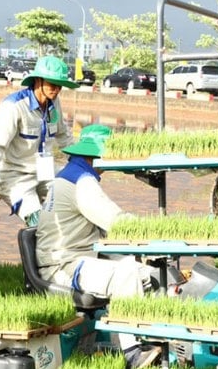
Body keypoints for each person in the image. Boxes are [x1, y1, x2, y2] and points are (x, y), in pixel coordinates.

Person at [35, 124, 153, 299]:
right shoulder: (82, 183)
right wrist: (157, 228)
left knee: (149, 272)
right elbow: (117, 222)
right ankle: (124, 323)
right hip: (64, 267)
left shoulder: (68, 174)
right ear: (96, 154)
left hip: (73, 259)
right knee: (129, 274)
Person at [0, 56, 78, 226]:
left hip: (45, 171)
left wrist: (83, 163)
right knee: (39, 223)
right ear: (38, 81)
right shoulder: (14, 107)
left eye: (60, 85)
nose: (56, 90)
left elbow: (64, 136)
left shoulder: (54, 103)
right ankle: (34, 250)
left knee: (75, 205)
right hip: (15, 176)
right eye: (52, 84)